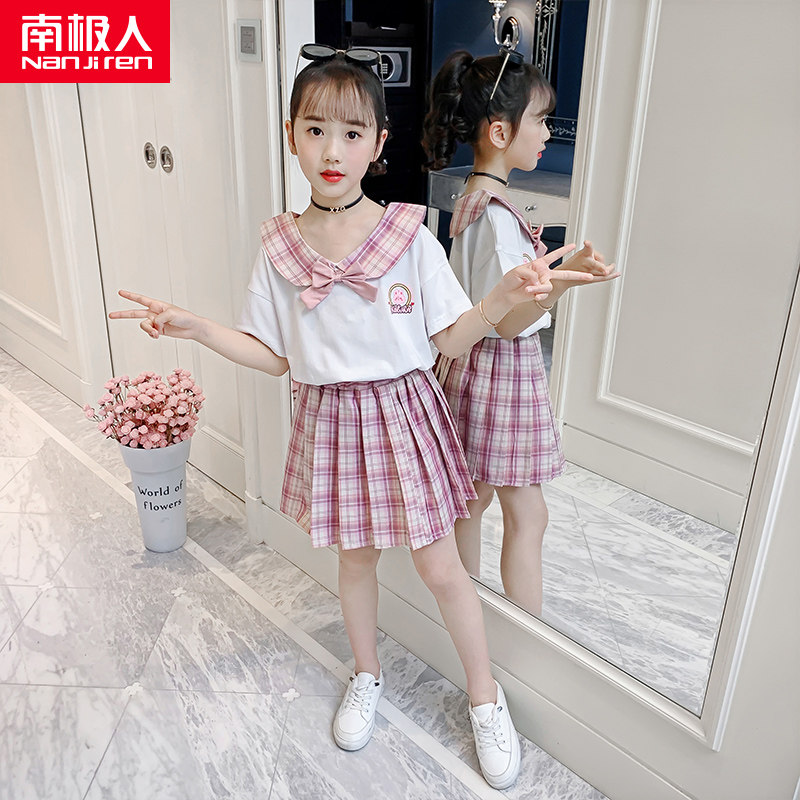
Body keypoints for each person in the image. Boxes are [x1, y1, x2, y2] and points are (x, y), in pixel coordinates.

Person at [109, 45, 590, 790]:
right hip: (329, 421)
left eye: (352, 133)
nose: (332, 151)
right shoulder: (278, 247)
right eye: (315, 130)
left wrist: (501, 299)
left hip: (405, 415)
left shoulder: (407, 235)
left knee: (440, 567)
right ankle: (367, 674)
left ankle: (484, 696)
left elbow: (448, 338)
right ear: (291, 137)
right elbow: (274, 355)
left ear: (378, 143)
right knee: (355, 561)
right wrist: (197, 327)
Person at [422, 49, 619, 616]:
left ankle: (466, 611)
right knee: (528, 513)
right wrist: (564, 283)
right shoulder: (495, 215)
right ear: (501, 131)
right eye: (540, 119)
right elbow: (509, 320)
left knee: (474, 500)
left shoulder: (475, 201)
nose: (547, 133)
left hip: (472, 369)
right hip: (501, 377)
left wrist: (562, 270)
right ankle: (525, 637)